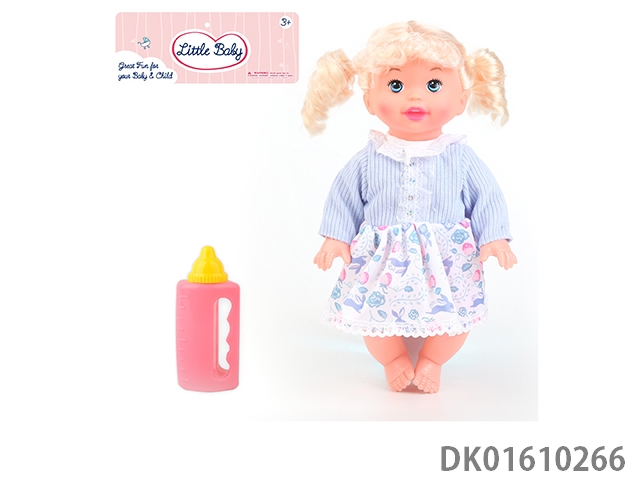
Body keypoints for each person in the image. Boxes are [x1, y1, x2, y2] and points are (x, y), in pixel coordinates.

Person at [302, 21, 517, 393]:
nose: (414, 97)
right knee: (373, 316)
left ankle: (433, 359)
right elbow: (344, 196)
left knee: (456, 318)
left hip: (447, 262)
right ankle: (393, 359)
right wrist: (336, 237)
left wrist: (494, 237)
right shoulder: (369, 158)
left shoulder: (460, 157)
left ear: (461, 100)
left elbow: (487, 197)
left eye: (433, 85)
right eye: (396, 85)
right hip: (382, 261)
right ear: (369, 100)